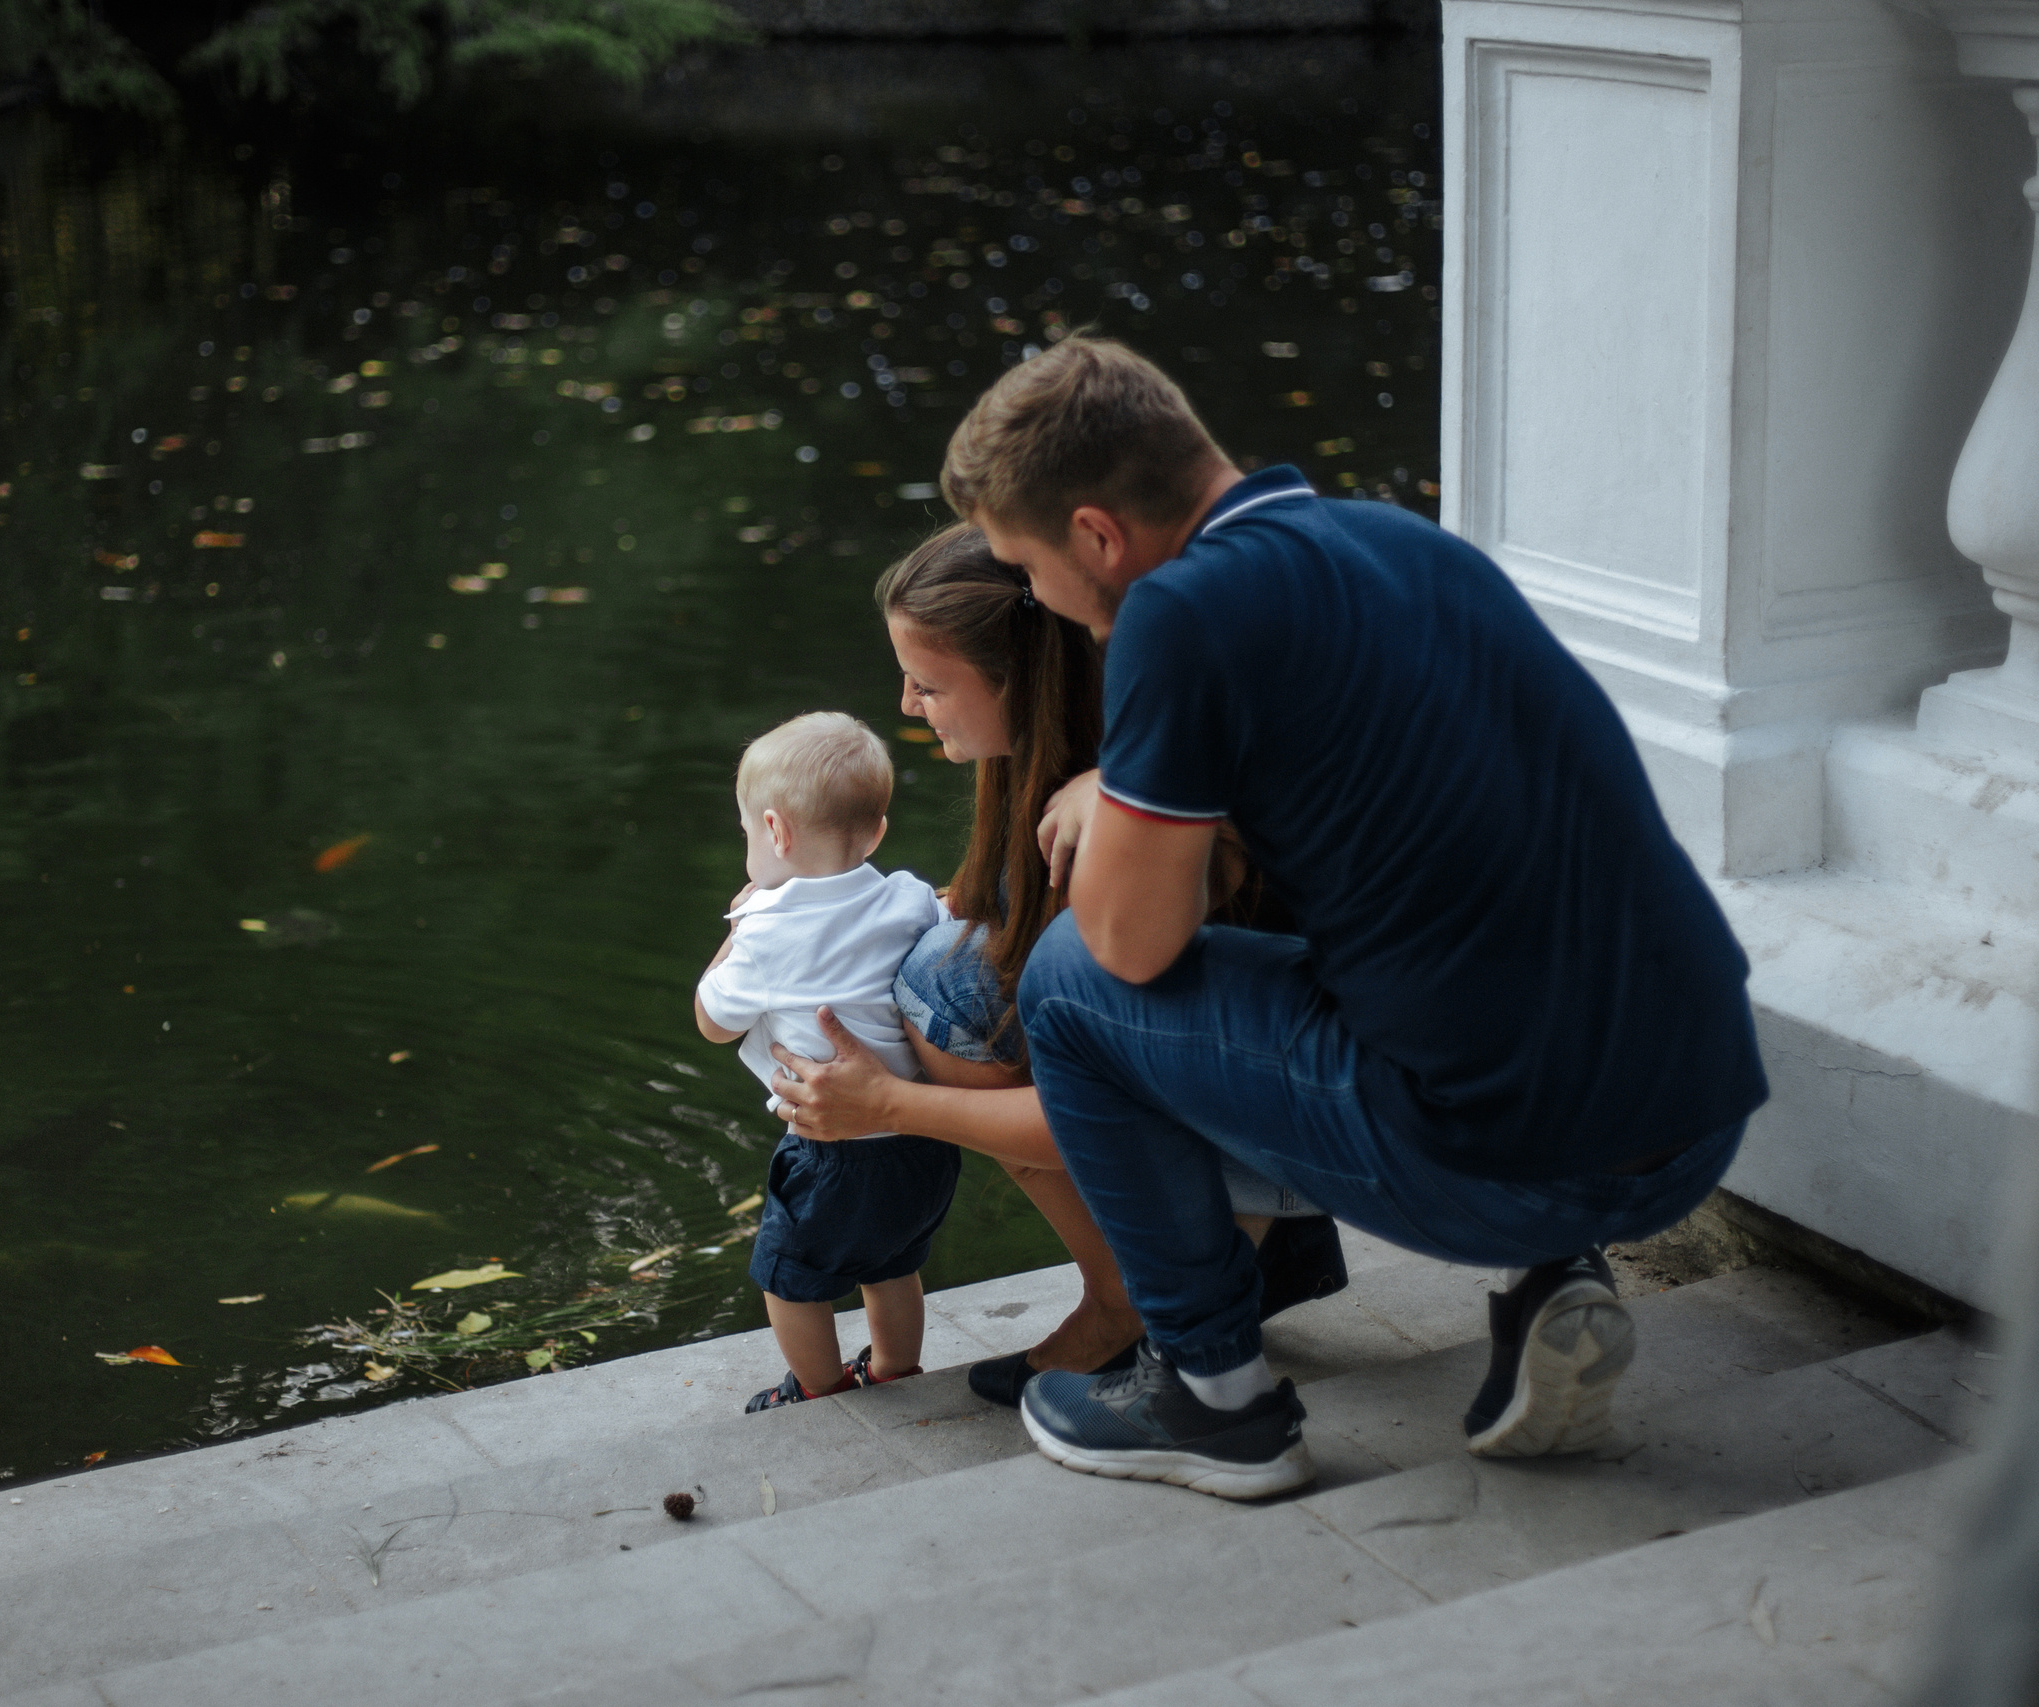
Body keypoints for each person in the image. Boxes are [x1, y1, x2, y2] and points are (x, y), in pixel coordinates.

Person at [939, 335, 1768, 1500]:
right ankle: (1551, 1278)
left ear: (1095, 534)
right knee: (1417, 918)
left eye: (1026, 566)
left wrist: (1111, 788)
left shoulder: (1179, 614)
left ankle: (1212, 1398)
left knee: (1069, 984)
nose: (1036, 598)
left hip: (1519, 1166)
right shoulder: (1402, 540)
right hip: (1700, 1106)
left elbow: (1134, 947)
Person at [760, 524, 1351, 1409]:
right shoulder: (1081, 758)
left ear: (1020, 679)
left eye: (928, 683)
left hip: (1305, 1099)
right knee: (963, 955)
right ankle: (1254, 1249)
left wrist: (887, 1105)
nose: (910, 705)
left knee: (943, 991)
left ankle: (1142, 1294)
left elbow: (1109, 1092)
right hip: (1255, 1075)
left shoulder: (1120, 839)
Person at [693, 711, 957, 1411]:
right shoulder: (907, 897)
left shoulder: (767, 931)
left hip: (833, 1152)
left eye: (748, 831)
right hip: (925, 1140)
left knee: (786, 1278)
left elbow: (713, 1022)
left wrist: (737, 926)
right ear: (875, 833)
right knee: (893, 1263)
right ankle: (898, 1368)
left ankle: (819, 1387)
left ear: (774, 831)